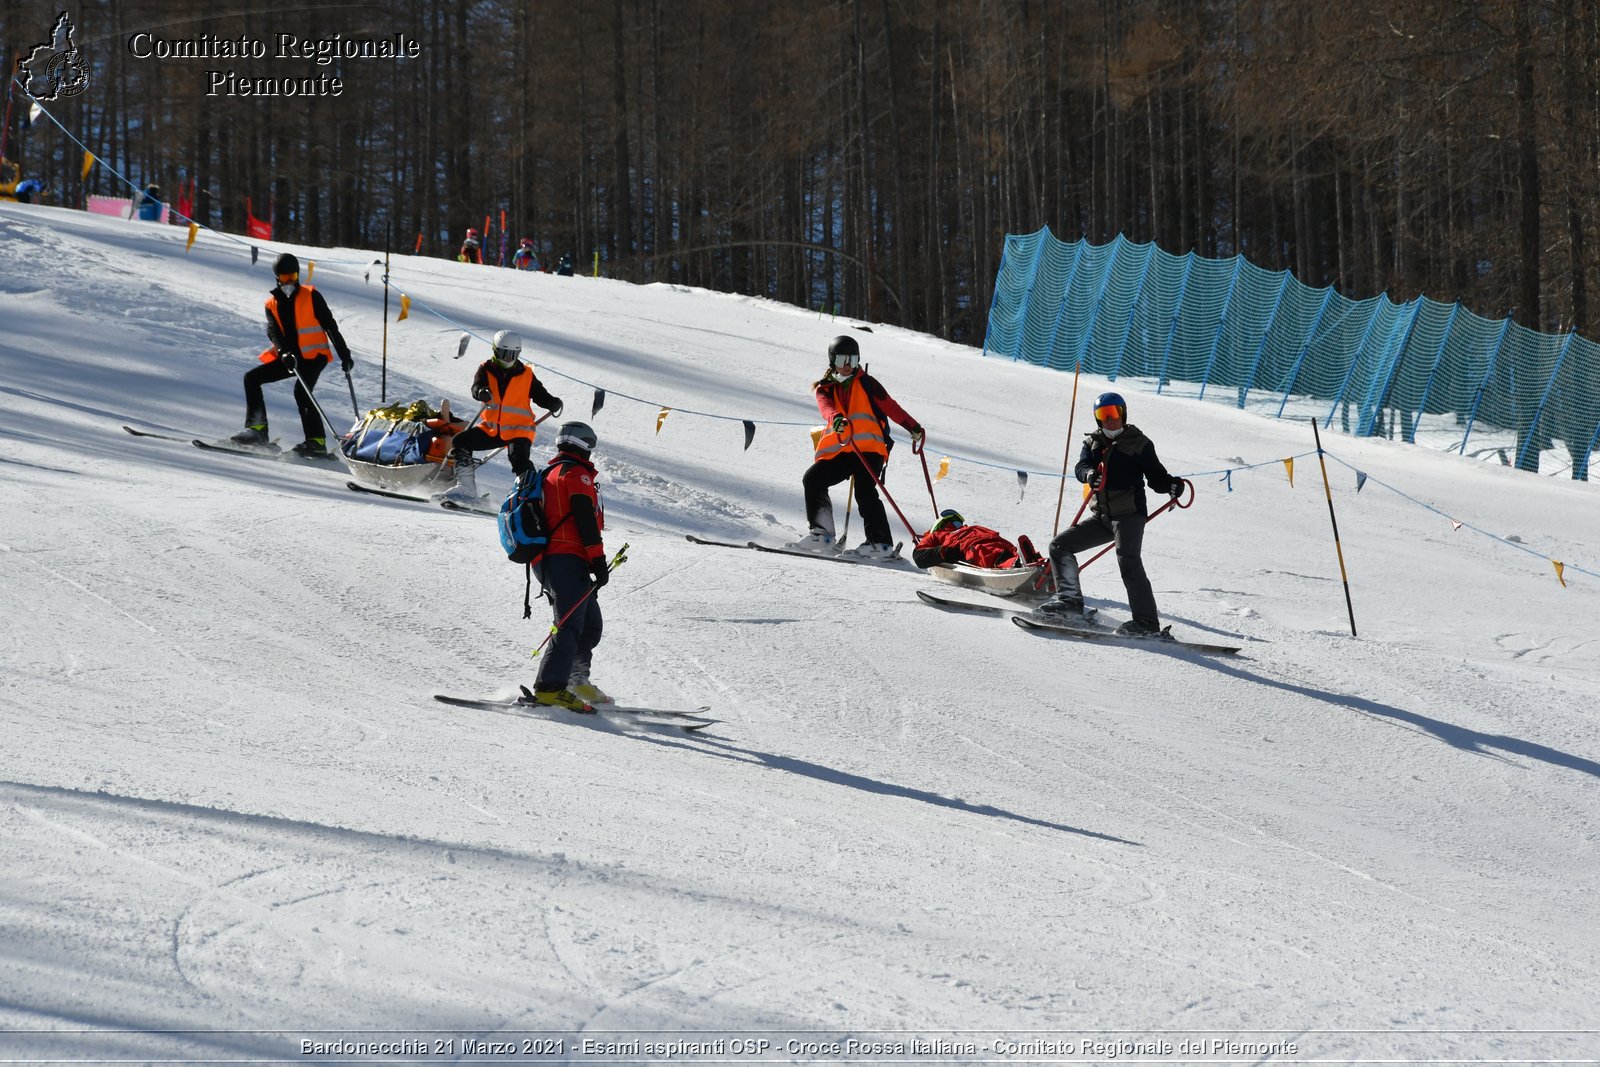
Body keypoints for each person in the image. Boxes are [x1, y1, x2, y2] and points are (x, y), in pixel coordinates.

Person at [1038, 391, 1184, 636]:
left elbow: (1157, 478)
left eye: (1114, 413)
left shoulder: (1139, 443)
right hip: (1102, 517)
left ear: (1123, 414)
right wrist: (1089, 475)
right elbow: (1081, 467)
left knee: (1128, 559)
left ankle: (1146, 622)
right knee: (1059, 546)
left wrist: (1172, 485)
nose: (1110, 420)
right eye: (1103, 415)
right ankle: (1070, 602)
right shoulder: (1092, 443)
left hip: (1129, 515)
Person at [792, 335, 924, 559]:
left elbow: (890, 406)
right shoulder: (825, 388)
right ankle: (822, 534)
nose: (847, 366)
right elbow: (826, 408)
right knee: (813, 479)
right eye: (843, 360)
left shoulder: (867, 383)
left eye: (853, 361)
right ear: (833, 360)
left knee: (865, 491)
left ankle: (880, 543)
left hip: (870, 448)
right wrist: (836, 418)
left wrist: (913, 426)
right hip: (843, 449)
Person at [230, 252, 353, 457]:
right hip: (291, 358)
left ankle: (316, 442)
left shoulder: (311, 295)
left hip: (314, 355)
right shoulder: (272, 304)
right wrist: (284, 353)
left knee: (301, 392)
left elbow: (330, 326)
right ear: (277, 278)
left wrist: (344, 354)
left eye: (293, 277)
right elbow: (274, 332)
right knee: (252, 378)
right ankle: (257, 430)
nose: (290, 282)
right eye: (285, 278)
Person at [529, 421, 610, 711]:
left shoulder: (552, 471)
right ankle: (550, 688)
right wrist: (598, 560)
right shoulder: (575, 475)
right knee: (569, 624)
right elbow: (585, 522)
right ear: (584, 444)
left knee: (589, 624)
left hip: (560, 560)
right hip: (563, 559)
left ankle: (575, 679)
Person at [443, 329, 563, 503]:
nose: (508, 359)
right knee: (460, 441)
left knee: (518, 459)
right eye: (505, 353)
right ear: (495, 350)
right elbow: (477, 386)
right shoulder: (486, 368)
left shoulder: (526, 374)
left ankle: (534, 497)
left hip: (519, 431)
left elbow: (540, 395)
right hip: (491, 430)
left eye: (513, 354)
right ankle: (466, 487)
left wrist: (552, 402)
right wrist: (481, 392)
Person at [912, 509, 1042, 571]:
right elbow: (918, 555)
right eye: (953, 523)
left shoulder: (970, 528)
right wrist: (944, 552)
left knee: (1004, 547)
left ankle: (1032, 559)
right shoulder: (936, 535)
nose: (959, 526)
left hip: (989, 538)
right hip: (968, 546)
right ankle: (1016, 562)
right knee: (983, 551)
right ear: (939, 526)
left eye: (958, 523)